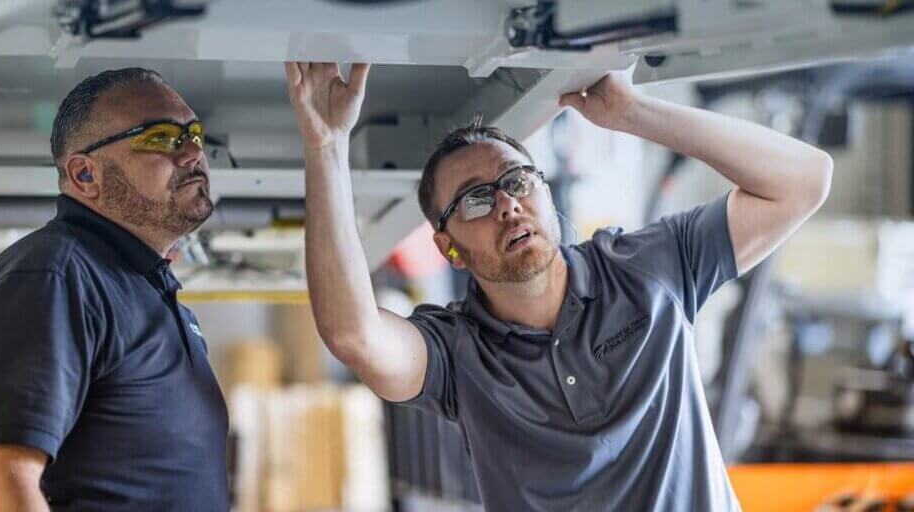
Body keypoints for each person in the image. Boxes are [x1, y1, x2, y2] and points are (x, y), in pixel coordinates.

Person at [285, 61, 832, 511]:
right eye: (476, 199)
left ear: (545, 193)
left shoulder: (648, 267)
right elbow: (354, 334)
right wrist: (326, 147)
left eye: (518, 180)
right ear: (448, 247)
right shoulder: (457, 357)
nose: (507, 204)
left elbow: (804, 182)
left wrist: (633, 112)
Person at [0, 68, 228, 512]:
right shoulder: (53, 278)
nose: (194, 151)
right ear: (84, 176)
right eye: (160, 137)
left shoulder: (144, 287)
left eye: (193, 133)